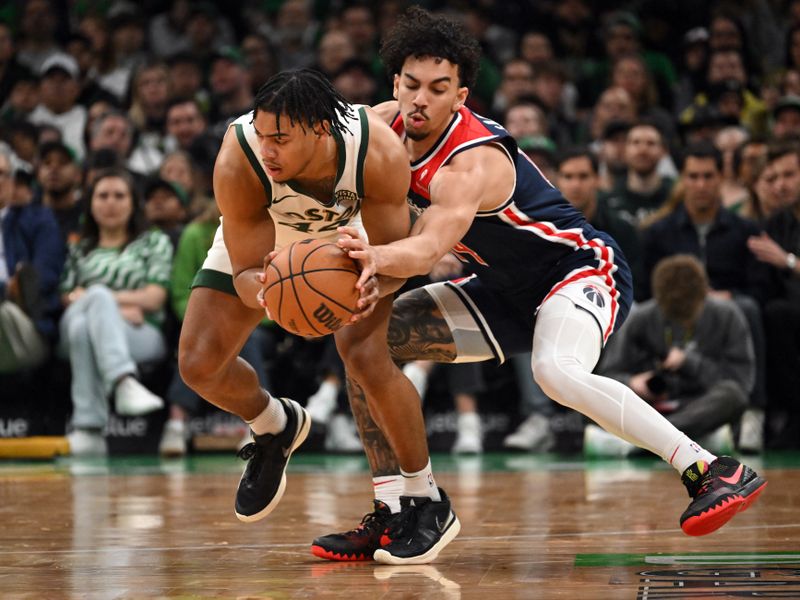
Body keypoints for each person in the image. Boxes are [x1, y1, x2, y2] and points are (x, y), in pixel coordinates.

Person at [314, 6, 767, 562]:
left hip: (577, 269)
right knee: (362, 343)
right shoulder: (380, 127)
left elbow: (428, 250)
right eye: (411, 85)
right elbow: (323, 136)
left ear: (461, 97)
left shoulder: (470, 162)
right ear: (395, 83)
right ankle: (406, 506)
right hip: (502, 287)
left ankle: (711, 469)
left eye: (438, 88)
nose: (420, 100)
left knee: (555, 372)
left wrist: (371, 256)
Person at [177, 69, 459, 564]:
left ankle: (424, 497)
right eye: (263, 135)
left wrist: (374, 284)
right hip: (268, 243)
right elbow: (245, 269)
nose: (267, 149)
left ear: (321, 130)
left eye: (280, 139)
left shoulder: (376, 152)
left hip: (349, 239)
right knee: (198, 365)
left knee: (365, 355)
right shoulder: (240, 157)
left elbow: (394, 255)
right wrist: (270, 296)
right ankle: (274, 424)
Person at [60, 169, 172, 456]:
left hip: (140, 331)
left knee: (83, 327)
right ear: (90, 204)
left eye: (119, 196)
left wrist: (102, 301)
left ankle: (89, 430)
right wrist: (118, 307)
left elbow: (155, 298)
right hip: (115, 318)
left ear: (133, 202)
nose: (111, 203)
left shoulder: (154, 241)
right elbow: (66, 297)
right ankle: (123, 381)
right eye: (103, 196)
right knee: (91, 305)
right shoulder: (78, 248)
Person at [596, 255, 754, 456]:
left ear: (705, 295)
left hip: (699, 405)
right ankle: (681, 440)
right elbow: (608, 376)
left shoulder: (728, 316)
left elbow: (740, 382)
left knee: (733, 396)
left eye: (688, 317)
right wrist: (632, 382)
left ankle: (650, 441)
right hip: (650, 407)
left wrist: (690, 363)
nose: (681, 322)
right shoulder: (640, 319)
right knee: (598, 397)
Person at [0, 144, 63, 374]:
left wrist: (6, 290)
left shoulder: (39, 220)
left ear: (12, 180)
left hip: (26, 323)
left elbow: (42, 279)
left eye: (1, 174)